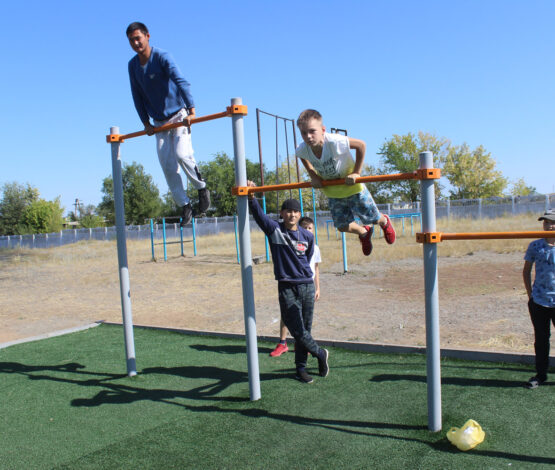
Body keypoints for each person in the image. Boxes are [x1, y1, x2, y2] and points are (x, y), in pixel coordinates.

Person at [126, 22, 210, 226]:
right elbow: (136, 95)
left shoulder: (162, 57)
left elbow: (181, 81)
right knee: (167, 165)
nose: (136, 43)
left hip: (178, 115)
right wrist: (145, 122)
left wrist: (191, 110)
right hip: (158, 122)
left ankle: (202, 189)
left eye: (138, 38)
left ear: (147, 36)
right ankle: (185, 205)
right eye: (131, 40)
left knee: (182, 154)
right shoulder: (133, 66)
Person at [247, 181, 329, 383]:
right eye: (288, 211)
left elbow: (308, 258)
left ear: (299, 215)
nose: (292, 215)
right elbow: (259, 216)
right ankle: (320, 353)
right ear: (282, 214)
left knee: (305, 329)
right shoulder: (275, 230)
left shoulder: (307, 236)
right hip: (286, 285)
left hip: (306, 285)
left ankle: (300, 369)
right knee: (296, 328)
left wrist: (314, 284)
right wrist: (251, 197)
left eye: (296, 212)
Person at [295, 109, 395, 256]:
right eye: (304, 133)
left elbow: (361, 145)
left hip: (353, 188)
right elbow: (301, 156)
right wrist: (313, 175)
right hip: (334, 191)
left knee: (373, 218)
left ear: (323, 130)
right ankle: (363, 232)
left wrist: (356, 172)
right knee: (342, 226)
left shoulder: (335, 141)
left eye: (312, 131)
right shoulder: (304, 148)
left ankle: (384, 221)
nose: (308, 136)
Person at [270, 216, 322, 357]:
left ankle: (305, 346)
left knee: (305, 320)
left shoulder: (314, 247)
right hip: (293, 283)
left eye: (310, 228)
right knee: (287, 315)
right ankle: (282, 342)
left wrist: (317, 288)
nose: (307, 230)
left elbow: (315, 268)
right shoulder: (294, 241)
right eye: (305, 228)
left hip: (308, 286)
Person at [522, 209, 555, 389]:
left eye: (552, 222)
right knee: (541, 340)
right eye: (545, 222)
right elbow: (526, 271)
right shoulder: (535, 245)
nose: (548, 225)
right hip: (539, 302)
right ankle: (540, 375)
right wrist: (530, 296)